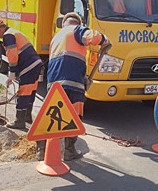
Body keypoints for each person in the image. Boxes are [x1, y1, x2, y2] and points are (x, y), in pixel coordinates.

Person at [36, 12, 111, 161]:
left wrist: (83, 77)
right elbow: (92, 37)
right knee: (74, 115)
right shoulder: (77, 30)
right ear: (77, 22)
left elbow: (65, 59)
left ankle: (41, 150)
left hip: (54, 82)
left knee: (50, 114)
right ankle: (69, 151)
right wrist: (104, 40)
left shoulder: (56, 38)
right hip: (73, 83)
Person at [0, 16, 43, 129]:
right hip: (36, 64)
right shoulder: (13, 32)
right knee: (30, 91)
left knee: (23, 92)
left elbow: (12, 55)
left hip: (29, 66)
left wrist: (12, 73)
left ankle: (19, 121)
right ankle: (27, 117)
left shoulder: (8, 36)